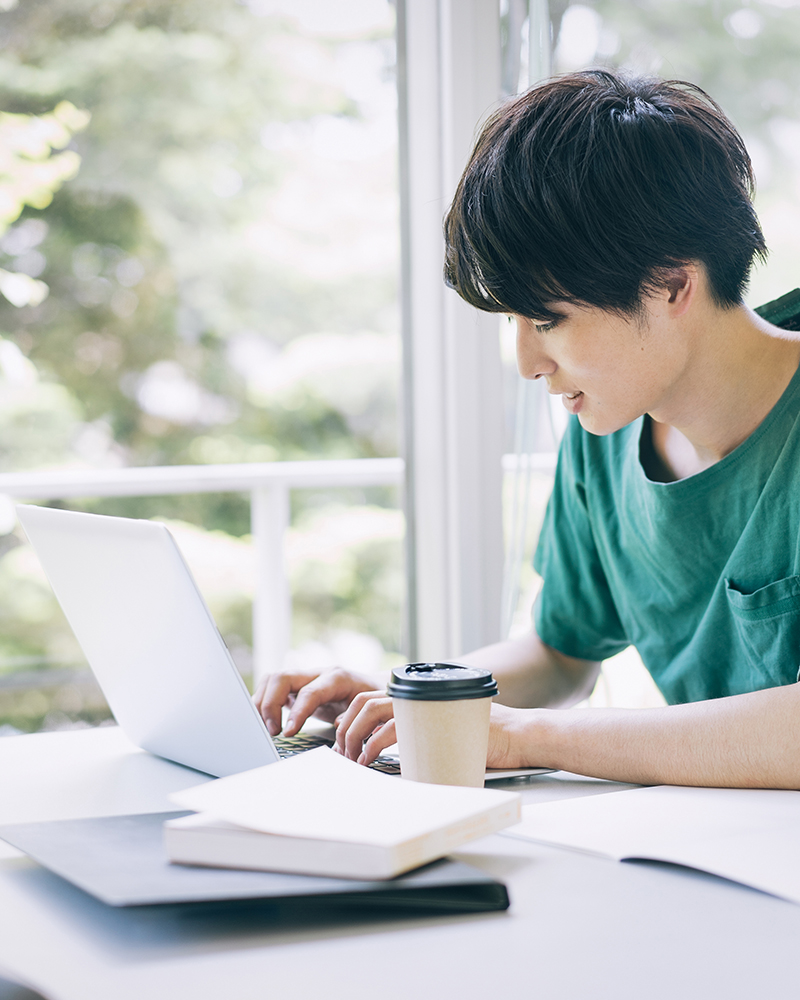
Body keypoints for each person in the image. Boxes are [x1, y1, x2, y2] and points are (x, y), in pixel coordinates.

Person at [254, 70, 800, 788]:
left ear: (672, 284)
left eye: (548, 320)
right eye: (514, 321)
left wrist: (528, 737)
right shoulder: (606, 424)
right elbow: (559, 656)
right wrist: (418, 699)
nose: (526, 361)